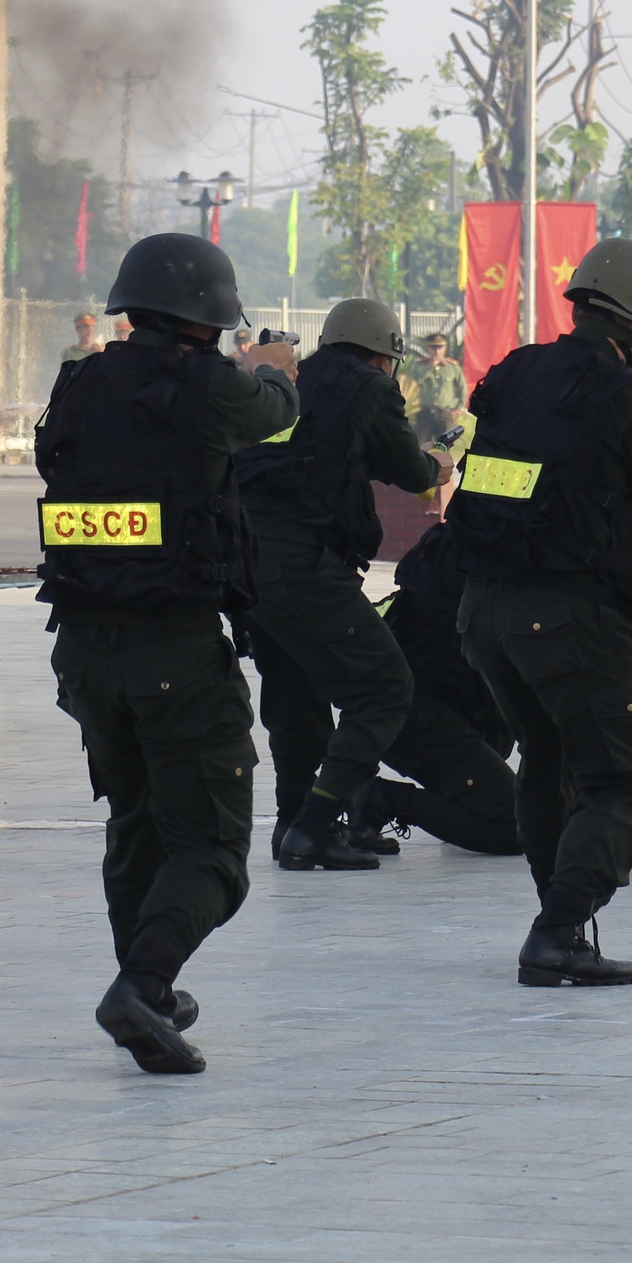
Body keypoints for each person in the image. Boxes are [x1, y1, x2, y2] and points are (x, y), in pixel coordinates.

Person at [35, 232, 297, 1075]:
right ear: (210, 317)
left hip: (82, 650)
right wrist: (274, 365)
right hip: (175, 650)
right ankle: (141, 984)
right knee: (215, 850)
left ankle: (142, 991)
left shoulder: (80, 378)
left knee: (137, 823)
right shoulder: (211, 386)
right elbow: (275, 414)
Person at [443, 237, 632, 987]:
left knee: (549, 758)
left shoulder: (518, 370)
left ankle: (557, 916)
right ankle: (559, 927)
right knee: (629, 781)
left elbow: (549, 460)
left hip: (485, 611)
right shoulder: (631, 397)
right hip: (568, 619)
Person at [237, 296, 450, 870]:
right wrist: (437, 465)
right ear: (385, 356)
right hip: (303, 564)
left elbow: (330, 455)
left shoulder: (287, 380)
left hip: (248, 565)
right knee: (384, 689)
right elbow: (407, 471)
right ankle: (314, 823)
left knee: (295, 695)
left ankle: (297, 823)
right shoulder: (368, 387)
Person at [350, 521, 524, 857]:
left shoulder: (462, 536)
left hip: (410, 705)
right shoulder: (503, 557)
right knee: (517, 827)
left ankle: (458, 797)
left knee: (501, 739)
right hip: (417, 716)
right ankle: (378, 798)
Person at [400, 332, 466, 447]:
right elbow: (414, 382)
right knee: (422, 446)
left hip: (445, 414)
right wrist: (430, 367)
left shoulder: (452, 368)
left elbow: (462, 389)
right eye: (433, 347)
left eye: (440, 347)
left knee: (445, 447)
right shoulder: (420, 366)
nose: (437, 351)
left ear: (445, 348)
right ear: (427, 348)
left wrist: (459, 408)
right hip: (425, 413)